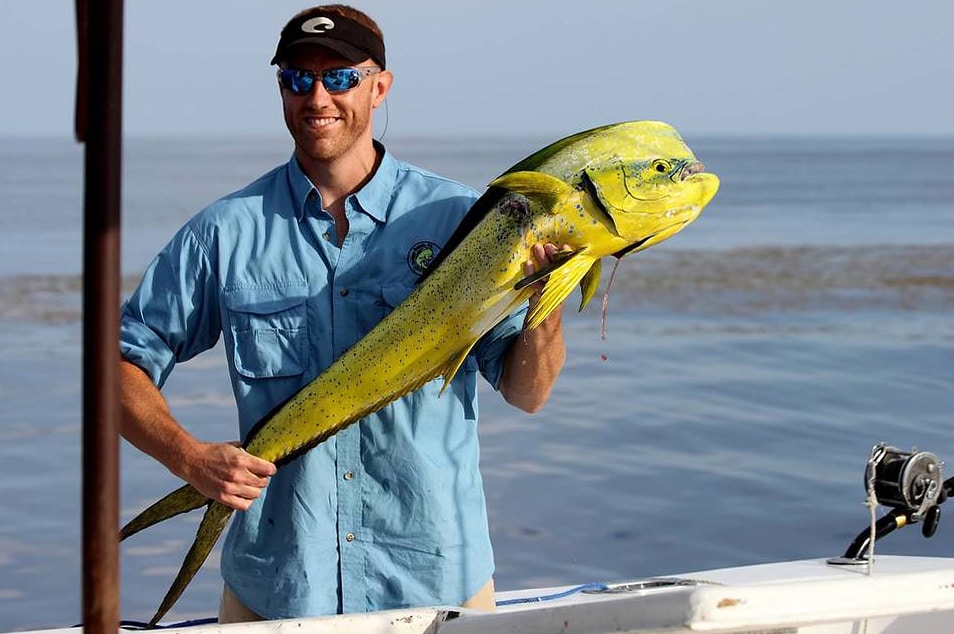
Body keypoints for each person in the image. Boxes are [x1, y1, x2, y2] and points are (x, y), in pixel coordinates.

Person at [119, 4, 567, 623]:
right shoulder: (224, 232)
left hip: (436, 583)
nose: (319, 97)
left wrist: (548, 298)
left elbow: (528, 392)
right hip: (278, 588)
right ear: (281, 89)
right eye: (299, 79)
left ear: (380, 86)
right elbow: (116, 367)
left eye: (341, 77)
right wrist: (189, 458)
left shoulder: (463, 220)